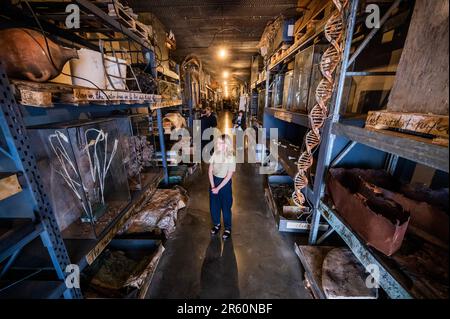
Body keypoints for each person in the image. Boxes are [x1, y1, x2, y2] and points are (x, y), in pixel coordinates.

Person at [209, 134, 236, 240]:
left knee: (226, 207)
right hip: (213, 182)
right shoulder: (215, 154)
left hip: (224, 184)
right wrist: (212, 186)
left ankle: (228, 228)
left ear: (227, 145)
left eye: (222, 143)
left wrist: (218, 188)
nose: (219, 145)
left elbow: (229, 176)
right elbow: (210, 170)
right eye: (219, 142)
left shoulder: (231, 157)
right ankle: (217, 224)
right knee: (214, 206)